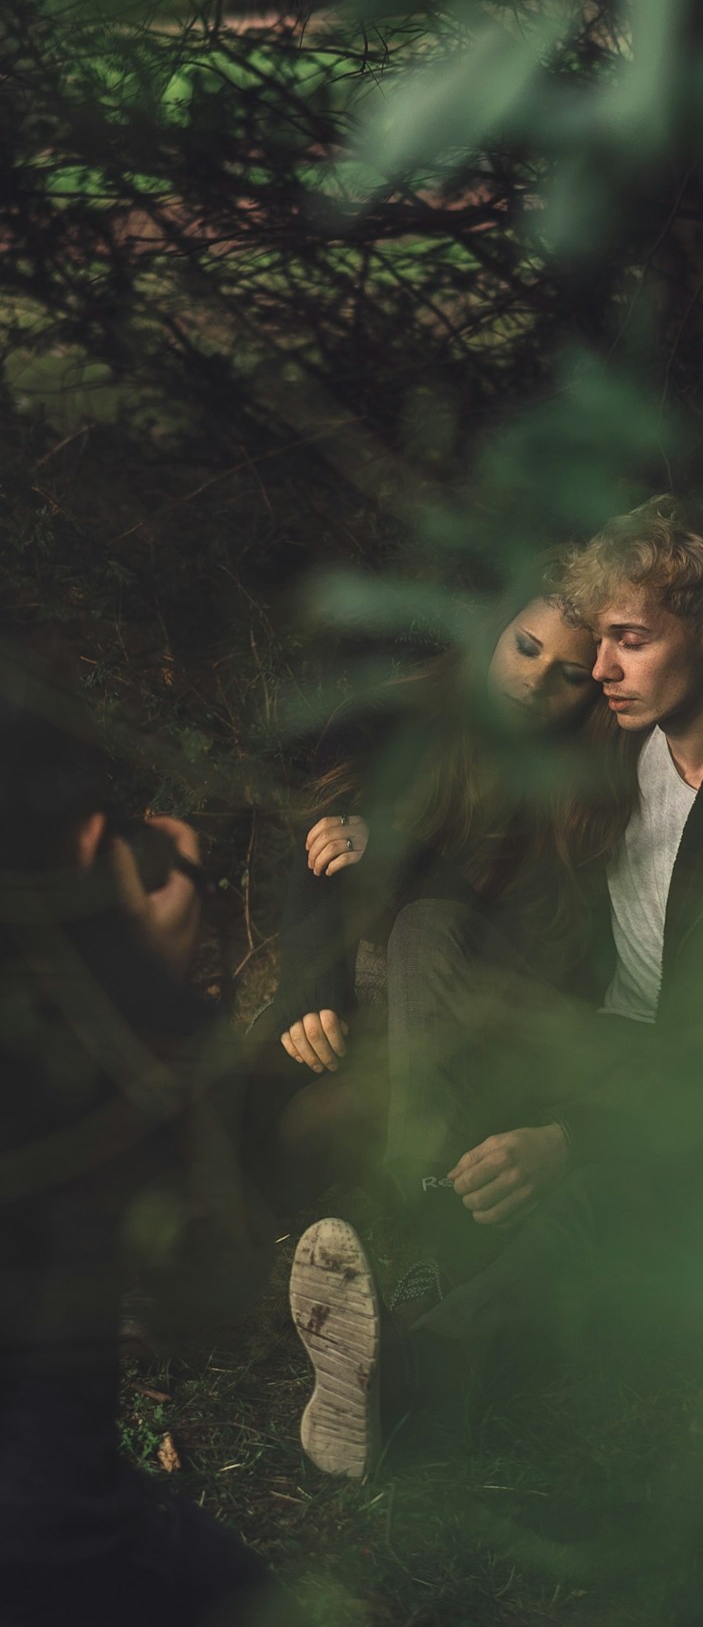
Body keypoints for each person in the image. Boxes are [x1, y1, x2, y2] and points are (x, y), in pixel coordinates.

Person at [286, 491, 703, 1490]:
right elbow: (478, 793)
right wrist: (376, 844)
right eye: (597, 641)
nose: (598, 669)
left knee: (596, 1204)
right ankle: (425, 1238)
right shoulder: (621, 743)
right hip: (596, 1036)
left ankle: (410, 1372)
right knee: (433, 930)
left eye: (631, 640)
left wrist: (573, 1136)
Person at [0, 648, 300, 1627]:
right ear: (88, 843)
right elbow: (214, 1283)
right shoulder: (112, 1041)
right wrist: (155, 978)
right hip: (47, 1535)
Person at [251, 552, 633, 1223]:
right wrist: (306, 991)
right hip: (381, 992)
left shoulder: (578, 788)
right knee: (282, 1099)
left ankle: (419, 1202)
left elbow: (535, 941)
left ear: (593, 687)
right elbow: (320, 840)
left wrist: (400, 858)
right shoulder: (396, 717)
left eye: (569, 676)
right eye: (525, 648)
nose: (534, 681)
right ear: (495, 629)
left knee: (424, 925)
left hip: (492, 1014)